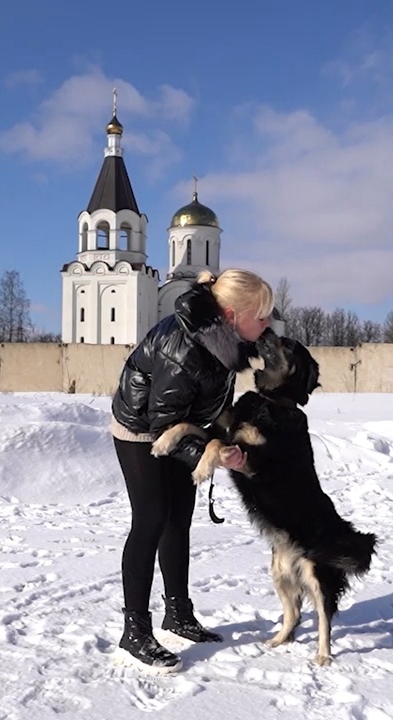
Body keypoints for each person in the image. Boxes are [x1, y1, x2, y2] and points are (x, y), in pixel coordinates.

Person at [109, 268, 275, 672]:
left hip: (182, 427)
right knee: (151, 520)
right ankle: (135, 631)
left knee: (178, 520)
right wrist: (211, 453)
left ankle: (178, 614)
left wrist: (227, 440)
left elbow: (212, 403)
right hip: (141, 429)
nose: (269, 323)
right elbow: (161, 424)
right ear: (234, 315)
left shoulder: (225, 340)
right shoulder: (183, 348)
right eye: (263, 315)